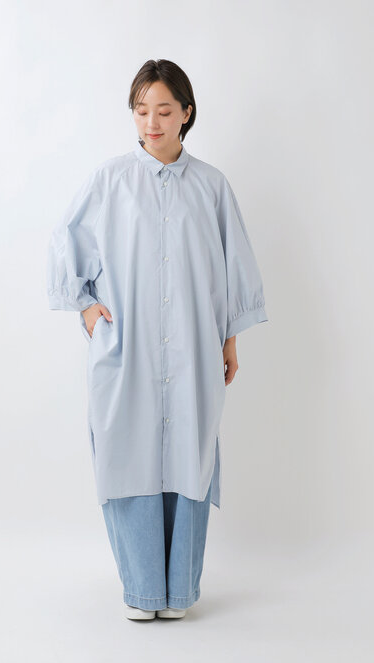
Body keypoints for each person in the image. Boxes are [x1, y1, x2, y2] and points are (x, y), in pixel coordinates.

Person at [47, 59, 268, 621]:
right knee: (128, 453)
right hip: (127, 349)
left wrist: (229, 339)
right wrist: (87, 308)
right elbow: (67, 243)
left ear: (186, 113)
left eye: (164, 111)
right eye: (141, 110)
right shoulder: (110, 181)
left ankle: (179, 593)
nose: (152, 122)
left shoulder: (212, 186)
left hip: (193, 347)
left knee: (189, 452)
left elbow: (232, 266)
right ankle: (141, 590)